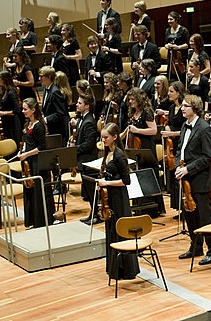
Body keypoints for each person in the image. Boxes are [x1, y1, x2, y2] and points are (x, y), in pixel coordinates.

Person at [176, 94, 211, 266]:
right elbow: (181, 148)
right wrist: (178, 167)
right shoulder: (184, 125)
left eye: (185, 106)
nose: (182, 108)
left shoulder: (204, 128)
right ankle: (196, 246)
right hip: (185, 179)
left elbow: (208, 156)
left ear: (194, 108)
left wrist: (188, 168)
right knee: (190, 214)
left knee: (205, 216)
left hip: (200, 179)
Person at [97, 122, 139, 280]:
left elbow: (126, 180)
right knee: (111, 231)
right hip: (109, 198)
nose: (103, 140)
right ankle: (115, 269)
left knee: (120, 231)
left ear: (115, 137)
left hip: (119, 198)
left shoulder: (119, 155)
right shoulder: (107, 153)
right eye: (102, 137)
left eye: (106, 137)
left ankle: (126, 270)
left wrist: (106, 183)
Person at [19, 97, 53, 229]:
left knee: (38, 191)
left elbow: (42, 147)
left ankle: (41, 221)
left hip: (37, 163)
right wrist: (21, 151)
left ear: (33, 110)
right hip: (28, 162)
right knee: (30, 190)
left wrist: (26, 154)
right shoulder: (27, 124)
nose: (23, 111)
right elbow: (27, 143)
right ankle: (32, 220)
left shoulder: (39, 126)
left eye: (25, 109)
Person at [71, 94, 100, 225]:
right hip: (83, 160)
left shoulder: (89, 122)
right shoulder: (83, 119)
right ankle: (93, 213)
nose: (76, 105)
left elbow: (89, 144)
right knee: (89, 191)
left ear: (87, 106)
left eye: (79, 103)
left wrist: (74, 148)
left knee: (91, 190)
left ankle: (96, 215)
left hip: (88, 160)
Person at [161, 81, 187, 211]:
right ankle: (177, 206)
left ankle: (184, 205)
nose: (168, 94)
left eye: (171, 91)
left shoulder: (185, 108)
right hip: (172, 143)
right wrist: (167, 128)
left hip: (181, 142)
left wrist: (172, 133)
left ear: (179, 92)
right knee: (173, 175)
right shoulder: (172, 108)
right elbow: (169, 122)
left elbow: (186, 129)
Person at [39, 66, 69, 144]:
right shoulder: (46, 89)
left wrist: (46, 119)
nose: (39, 79)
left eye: (41, 76)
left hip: (58, 129)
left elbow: (60, 113)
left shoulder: (55, 92)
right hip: (51, 128)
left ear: (49, 77)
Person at [0, 70, 21, 150]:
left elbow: (17, 110)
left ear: (5, 79)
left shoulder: (11, 92)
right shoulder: (5, 91)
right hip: (7, 122)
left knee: (12, 145)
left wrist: (2, 113)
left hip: (12, 124)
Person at [165, 11, 190, 78]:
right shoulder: (167, 30)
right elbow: (165, 43)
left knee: (181, 74)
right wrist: (167, 46)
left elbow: (188, 44)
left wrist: (178, 47)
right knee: (170, 75)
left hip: (180, 56)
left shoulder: (183, 30)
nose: (169, 21)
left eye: (171, 19)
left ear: (176, 19)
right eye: (168, 19)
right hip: (171, 56)